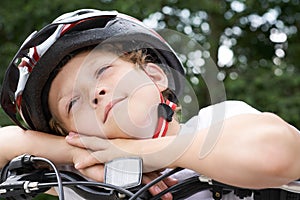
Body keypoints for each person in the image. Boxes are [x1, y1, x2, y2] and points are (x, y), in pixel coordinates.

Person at [0, 8, 300, 200]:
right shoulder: (82, 181)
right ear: (72, 132)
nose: (95, 94)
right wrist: (79, 154)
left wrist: (136, 152)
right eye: (73, 104)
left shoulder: (219, 122)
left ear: (156, 76)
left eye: (103, 72)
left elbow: (276, 153)